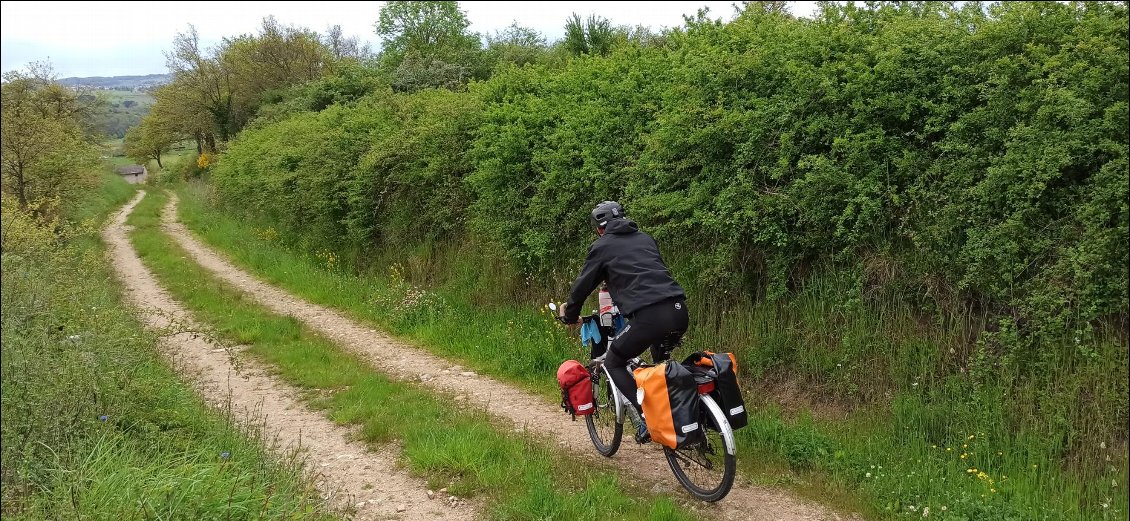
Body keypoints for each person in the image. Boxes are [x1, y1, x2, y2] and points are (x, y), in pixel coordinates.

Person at [558, 200, 688, 443]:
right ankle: (682, 417)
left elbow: (583, 286)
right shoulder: (646, 238)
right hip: (679, 309)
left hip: (649, 317)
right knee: (661, 366)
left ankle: (647, 420)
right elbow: (643, 272)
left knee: (614, 361)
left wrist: (570, 314)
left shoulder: (602, 246)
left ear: (599, 228)